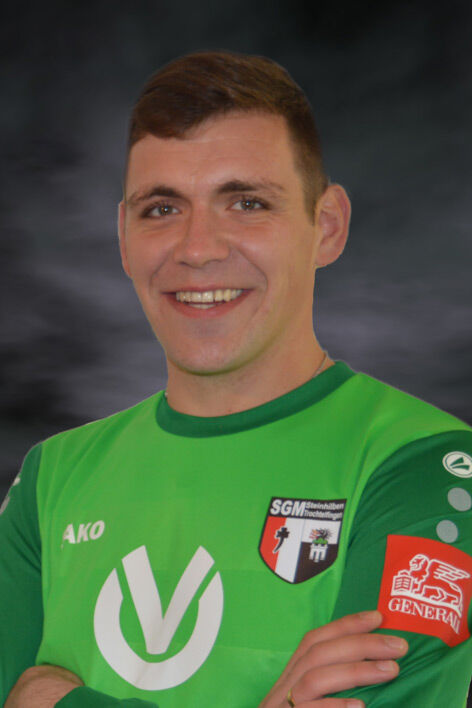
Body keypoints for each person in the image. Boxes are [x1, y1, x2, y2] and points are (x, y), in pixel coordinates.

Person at [1, 50, 471, 708]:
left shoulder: (424, 465)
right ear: (123, 237)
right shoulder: (50, 477)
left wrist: (51, 699)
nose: (198, 249)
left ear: (326, 227)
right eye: (161, 209)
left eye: (247, 203)